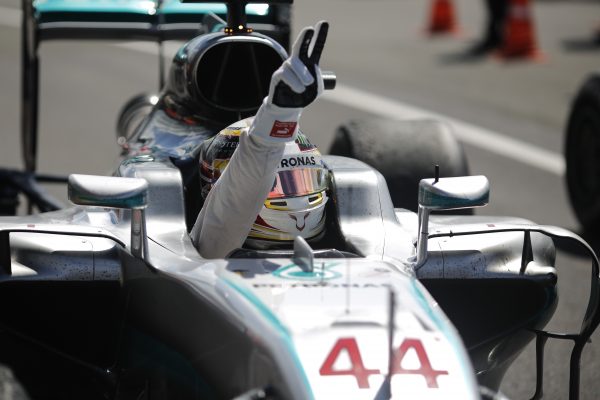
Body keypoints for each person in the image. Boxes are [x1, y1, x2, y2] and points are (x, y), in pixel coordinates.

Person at [190, 21, 329, 259]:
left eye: (301, 181)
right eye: (273, 186)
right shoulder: (212, 250)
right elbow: (242, 191)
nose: (296, 205)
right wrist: (278, 116)